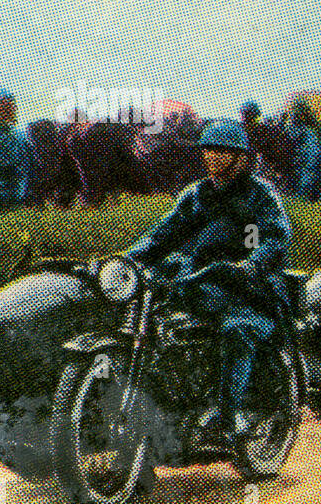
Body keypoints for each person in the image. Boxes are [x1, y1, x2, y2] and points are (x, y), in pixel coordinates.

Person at [125, 120, 294, 442]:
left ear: (240, 157)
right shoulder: (196, 195)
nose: (213, 157)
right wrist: (128, 259)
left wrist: (251, 264)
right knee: (156, 324)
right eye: (208, 150)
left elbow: (273, 236)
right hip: (199, 278)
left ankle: (230, 416)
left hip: (247, 287)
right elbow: (163, 234)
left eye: (222, 151)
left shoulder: (259, 196)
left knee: (237, 329)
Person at [281, 96, 321, 200]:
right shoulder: (299, 123)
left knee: (308, 171)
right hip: (307, 151)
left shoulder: (307, 127)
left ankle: (306, 193)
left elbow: (292, 134)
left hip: (308, 151)